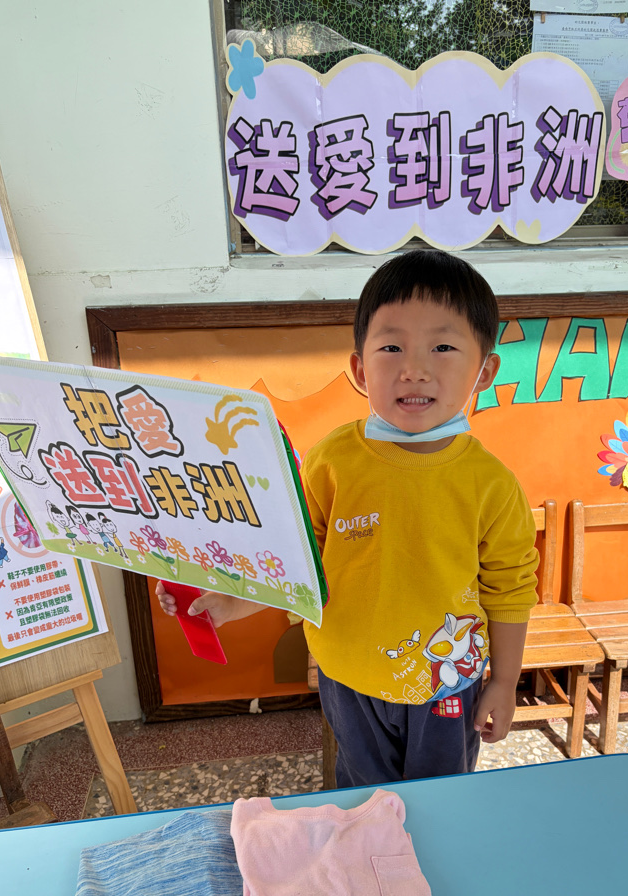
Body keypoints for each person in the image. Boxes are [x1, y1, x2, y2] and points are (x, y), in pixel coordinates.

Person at [156, 250, 538, 787]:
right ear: (360, 368)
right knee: (363, 796)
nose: (414, 369)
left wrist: (505, 680)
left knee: (442, 799)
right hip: (347, 677)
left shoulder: (492, 484)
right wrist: (230, 601)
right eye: (391, 347)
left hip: (447, 682)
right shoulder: (331, 461)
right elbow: (297, 563)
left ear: (485, 371)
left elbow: (510, 588)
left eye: (443, 347)